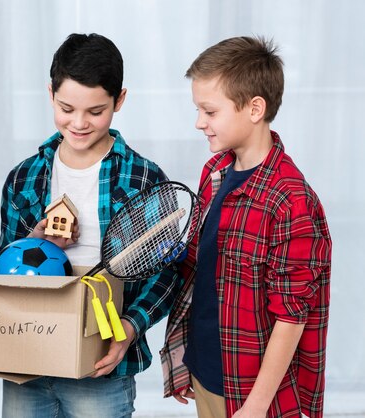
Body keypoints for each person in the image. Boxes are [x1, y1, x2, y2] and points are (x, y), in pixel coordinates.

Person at [0, 33, 179, 418]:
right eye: (66, 108)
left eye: (95, 112)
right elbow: (3, 269)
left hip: (101, 367)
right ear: (50, 94)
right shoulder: (23, 178)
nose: (78, 123)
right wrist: (34, 241)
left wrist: (130, 329)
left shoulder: (144, 179)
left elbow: (167, 272)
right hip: (28, 362)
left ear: (120, 100)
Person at [160, 36, 332, 418]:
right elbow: (204, 276)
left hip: (250, 394)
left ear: (255, 108)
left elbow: (291, 316)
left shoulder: (291, 201)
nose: (199, 123)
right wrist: (186, 361)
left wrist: (255, 406)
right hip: (207, 373)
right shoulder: (215, 172)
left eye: (209, 111)